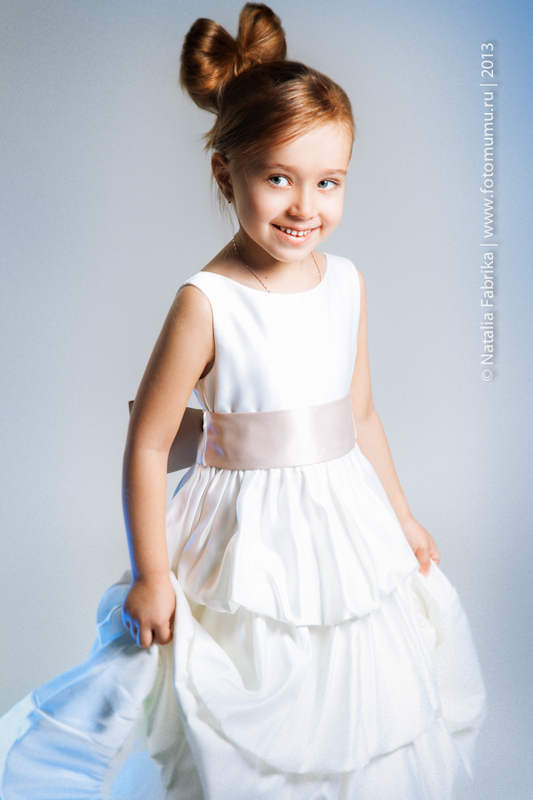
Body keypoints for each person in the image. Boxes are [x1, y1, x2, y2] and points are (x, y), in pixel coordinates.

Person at [0, 3, 485, 798]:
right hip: (241, 536)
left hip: (341, 523)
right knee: (245, 695)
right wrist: (150, 575)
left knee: (352, 683)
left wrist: (399, 515)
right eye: (278, 178)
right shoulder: (207, 301)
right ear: (227, 175)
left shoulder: (347, 283)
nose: (304, 207)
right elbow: (148, 442)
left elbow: (359, 413)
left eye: (328, 182)